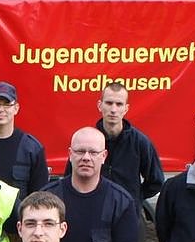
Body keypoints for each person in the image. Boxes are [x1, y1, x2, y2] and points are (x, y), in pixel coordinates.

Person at [69, 81, 164, 210]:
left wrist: (134, 198)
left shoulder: (140, 142)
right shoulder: (87, 140)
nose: (113, 110)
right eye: (109, 103)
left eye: (119, 104)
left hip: (127, 212)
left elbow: (156, 181)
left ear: (126, 108)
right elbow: (70, 177)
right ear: (100, 105)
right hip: (92, 210)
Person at [0, 81, 49, 196]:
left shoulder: (31, 149)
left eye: (7, 104)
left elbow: (40, 197)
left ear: (16, 108)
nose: (1, 109)